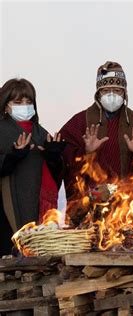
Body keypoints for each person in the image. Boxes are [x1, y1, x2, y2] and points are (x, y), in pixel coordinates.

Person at [60, 61, 133, 221]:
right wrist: (85, 153)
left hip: (129, 212)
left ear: (125, 93)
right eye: (106, 90)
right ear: (98, 93)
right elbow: (63, 162)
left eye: (117, 90)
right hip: (88, 212)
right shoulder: (79, 123)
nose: (112, 95)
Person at [0, 78, 64, 255]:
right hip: (7, 209)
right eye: (18, 102)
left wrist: (53, 157)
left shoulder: (40, 132)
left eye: (29, 101)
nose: (24, 106)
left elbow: (56, 175)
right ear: (6, 105)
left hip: (36, 203)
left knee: (36, 251)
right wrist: (13, 157)